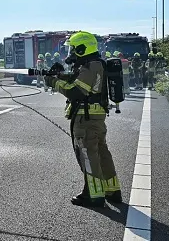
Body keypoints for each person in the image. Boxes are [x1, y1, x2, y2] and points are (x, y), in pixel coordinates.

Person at [45, 31, 122, 207]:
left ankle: (93, 195)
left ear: (82, 48)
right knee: (102, 153)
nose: (70, 52)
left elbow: (76, 91)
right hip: (96, 117)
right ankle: (112, 190)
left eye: (73, 49)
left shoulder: (90, 66)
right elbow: (79, 82)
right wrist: (60, 75)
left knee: (87, 155)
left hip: (85, 119)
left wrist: (54, 83)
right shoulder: (94, 64)